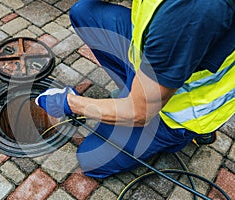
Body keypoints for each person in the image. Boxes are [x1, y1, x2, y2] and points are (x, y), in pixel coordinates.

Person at [36, 0, 235, 179]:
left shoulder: (191, 10)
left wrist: (68, 103)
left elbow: (139, 113)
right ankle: (138, 91)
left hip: (177, 112)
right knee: (84, 12)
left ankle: (178, 138)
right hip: (154, 54)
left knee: (91, 160)